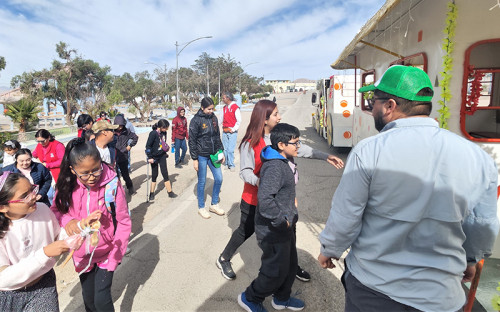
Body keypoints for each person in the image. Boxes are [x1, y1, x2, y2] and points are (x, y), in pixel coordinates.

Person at [318, 65, 500, 312]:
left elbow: (347, 213)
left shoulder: (369, 150)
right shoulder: (478, 157)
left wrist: (331, 249)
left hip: (374, 291)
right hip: (443, 296)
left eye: (374, 102)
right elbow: (483, 223)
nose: (372, 108)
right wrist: (470, 259)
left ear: (390, 106)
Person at [217, 99, 344, 281]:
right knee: (246, 230)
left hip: (283, 199)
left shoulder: (278, 138)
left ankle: (292, 265)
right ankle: (224, 258)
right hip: (254, 199)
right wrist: (262, 182)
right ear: (264, 118)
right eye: (275, 114)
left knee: (289, 231)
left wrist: (325, 156)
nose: (279, 117)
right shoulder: (250, 143)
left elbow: (301, 148)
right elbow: (244, 172)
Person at [51, 138, 131, 312]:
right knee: (89, 301)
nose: (92, 177)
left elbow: (124, 222)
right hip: (81, 255)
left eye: (96, 170)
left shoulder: (112, 185)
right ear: (73, 170)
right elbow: (56, 211)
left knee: (102, 301)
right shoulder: (66, 185)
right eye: (85, 173)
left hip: (107, 253)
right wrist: (69, 222)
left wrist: (115, 257)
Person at [238, 123, 305, 312]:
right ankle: (250, 297)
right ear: (282, 145)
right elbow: (265, 199)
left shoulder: (285, 160)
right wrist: (281, 220)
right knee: (274, 270)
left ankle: (282, 298)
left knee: (290, 265)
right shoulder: (275, 166)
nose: (298, 146)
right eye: (296, 143)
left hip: (285, 225)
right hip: (273, 229)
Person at [0, 172, 70, 311]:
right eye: (24, 196)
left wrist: (78, 229)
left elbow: (57, 236)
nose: (33, 196)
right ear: (2, 207)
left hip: (43, 284)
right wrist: (44, 254)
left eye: (32, 189)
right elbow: (3, 278)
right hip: (7, 295)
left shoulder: (42, 209)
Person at [189, 97, 225, 219]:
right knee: (202, 181)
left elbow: (217, 136)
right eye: (209, 109)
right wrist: (195, 159)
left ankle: (214, 204)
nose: (211, 111)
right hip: (202, 156)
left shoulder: (213, 118)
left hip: (214, 154)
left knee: (219, 178)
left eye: (212, 109)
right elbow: (192, 141)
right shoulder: (195, 121)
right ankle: (201, 207)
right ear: (202, 108)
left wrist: (221, 152)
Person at [145, 119, 178, 201]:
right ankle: (151, 193)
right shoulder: (153, 134)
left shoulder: (164, 133)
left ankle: (170, 192)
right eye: (165, 128)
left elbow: (162, 143)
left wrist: (164, 152)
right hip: (154, 157)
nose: (166, 129)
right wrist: (150, 157)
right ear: (161, 127)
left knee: (165, 173)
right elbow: (148, 146)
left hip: (162, 155)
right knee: (154, 174)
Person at [113, 115, 138, 195]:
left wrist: (129, 146)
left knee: (125, 175)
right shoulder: (111, 132)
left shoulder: (126, 131)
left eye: (121, 125)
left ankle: (130, 187)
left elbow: (135, 138)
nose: (120, 127)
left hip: (123, 156)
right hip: (113, 157)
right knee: (115, 176)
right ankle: (119, 192)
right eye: (118, 125)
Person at [220, 92, 241, 172]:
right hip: (225, 131)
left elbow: (239, 121)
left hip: (232, 132)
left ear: (228, 98)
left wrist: (233, 129)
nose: (222, 99)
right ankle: (226, 163)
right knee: (224, 149)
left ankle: (231, 164)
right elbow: (221, 119)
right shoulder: (224, 108)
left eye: (223, 98)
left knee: (230, 149)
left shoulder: (235, 107)